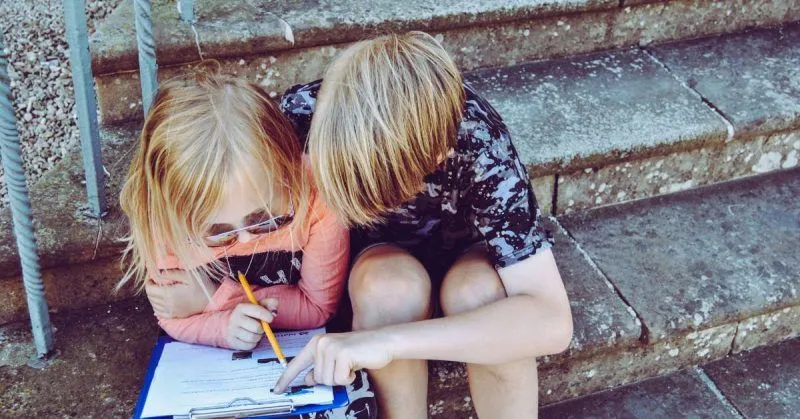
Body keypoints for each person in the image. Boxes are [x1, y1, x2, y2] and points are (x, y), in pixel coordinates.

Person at [276, 32, 573, 418]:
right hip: (376, 267)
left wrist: (388, 342)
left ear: (438, 154)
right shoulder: (301, 117)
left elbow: (551, 319)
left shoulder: (477, 140)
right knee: (388, 287)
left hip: (467, 256)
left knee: (479, 294)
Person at [118, 73, 376, 418]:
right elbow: (172, 316)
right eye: (217, 232)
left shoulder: (317, 198)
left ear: (289, 170)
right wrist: (223, 327)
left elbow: (317, 307)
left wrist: (213, 298)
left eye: (265, 219)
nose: (244, 240)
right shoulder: (164, 222)